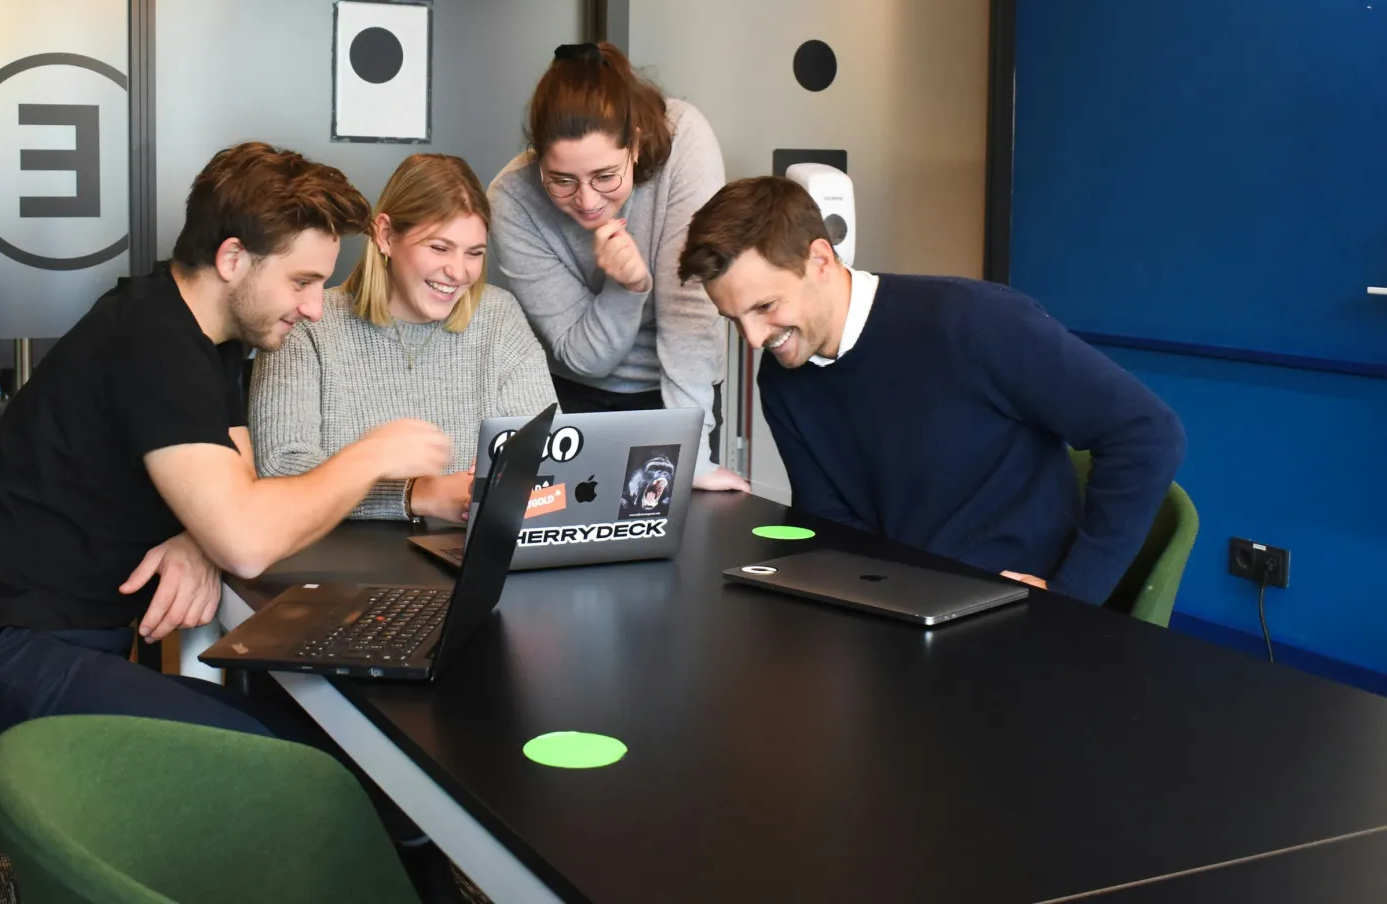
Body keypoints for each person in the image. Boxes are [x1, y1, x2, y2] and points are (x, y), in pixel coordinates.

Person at [0, 143, 451, 747]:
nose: (312, 308)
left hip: (65, 644)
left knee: (324, 742)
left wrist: (202, 535)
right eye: (301, 281)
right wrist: (372, 455)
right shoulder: (152, 342)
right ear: (231, 258)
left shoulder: (207, 336)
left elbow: (239, 484)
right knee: (301, 760)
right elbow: (248, 543)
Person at [678, 176, 1186, 604]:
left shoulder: (974, 322)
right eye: (733, 319)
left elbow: (1147, 434)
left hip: (1017, 616)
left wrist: (1072, 596)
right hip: (906, 611)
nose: (753, 339)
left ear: (820, 260)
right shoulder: (784, 379)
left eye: (765, 306)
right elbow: (832, 526)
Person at [489, 41, 748, 492]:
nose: (587, 201)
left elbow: (691, 311)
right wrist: (626, 287)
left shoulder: (684, 137)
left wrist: (693, 457)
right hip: (573, 396)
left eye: (605, 177)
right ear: (538, 159)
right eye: (562, 181)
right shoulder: (512, 200)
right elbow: (584, 356)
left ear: (636, 143)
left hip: (683, 395)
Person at [250, 153, 556, 520]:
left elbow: (551, 462)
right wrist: (415, 494)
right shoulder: (306, 322)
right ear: (385, 235)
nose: (457, 272)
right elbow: (281, 470)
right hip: (337, 561)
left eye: (474, 253)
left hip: (463, 555)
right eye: (439, 247)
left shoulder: (498, 317)